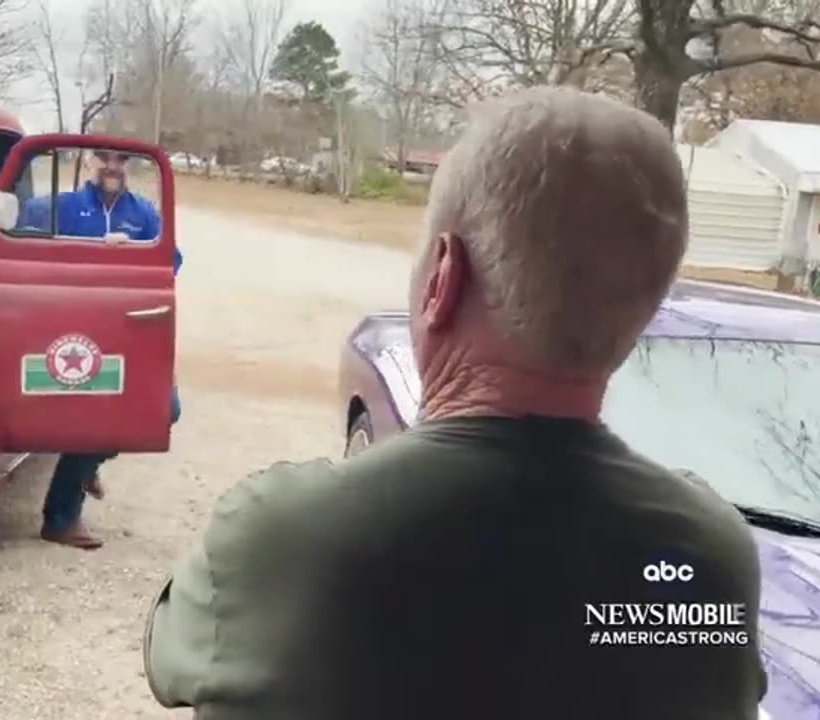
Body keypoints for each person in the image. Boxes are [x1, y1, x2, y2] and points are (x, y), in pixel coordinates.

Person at [141, 87, 767, 719]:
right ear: (641, 311)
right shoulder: (708, 564)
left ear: (443, 277)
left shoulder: (281, 537)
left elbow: (167, 657)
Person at [25, 150, 183, 549]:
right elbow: (21, 245)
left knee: (168, 408)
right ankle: (61, 518)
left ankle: (89, 460)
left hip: (127, 330)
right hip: (73, 330)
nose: (112, 166)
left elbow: (172, 261)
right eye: (104, 158)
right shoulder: (62, 207)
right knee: (90, 415)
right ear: (90, 162)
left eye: (121, 160)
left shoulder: (143, 214)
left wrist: (131, 251)